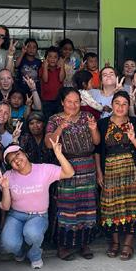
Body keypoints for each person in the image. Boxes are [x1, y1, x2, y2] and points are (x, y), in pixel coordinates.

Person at [0, 140, 74, 268]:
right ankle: (21, 252)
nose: (16, 160)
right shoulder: (8, 176)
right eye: (11, 160)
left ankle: (35, 255)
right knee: (8, 244)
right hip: (16, 215)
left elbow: (69, 173)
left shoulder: (43, 169)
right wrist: (5, 188)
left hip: (38, 215)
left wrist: (59, 155)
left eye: (17, 154)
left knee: (32, 234)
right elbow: (5, 206)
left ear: (25, 154)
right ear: (11, 165)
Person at [45, 88, 100, 260]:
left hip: (87, 166)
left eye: (77, 101)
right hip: (66, 166)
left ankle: (84, 243)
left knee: (86, 206)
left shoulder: (87, 117)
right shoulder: (55, 119)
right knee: (67, 206)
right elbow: (48, 144)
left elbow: (96, 141)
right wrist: (60, 128)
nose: (73, 105)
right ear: (62, 102)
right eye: (69, 101)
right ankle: (64, 245)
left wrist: (93, 129)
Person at [95, 91, 136, 260]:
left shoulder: (135, 122)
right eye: (117, 103)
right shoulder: (102, 123)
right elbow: (97, 150)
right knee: (111, 207)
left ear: (129, 106)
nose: (120, 107)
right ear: (112, 104)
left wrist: (133, 138)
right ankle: (115, 242)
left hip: (130, 170)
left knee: (132, 206)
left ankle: (128, 244)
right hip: (110, 170)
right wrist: (99, 172)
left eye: (124, 104)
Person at [40, 47, 65, 117]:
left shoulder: (59, 69)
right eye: (50, 57)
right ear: (46, 58)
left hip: (59, 100)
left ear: (58, 59)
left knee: (59, 119)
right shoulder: (42, 69)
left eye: (55, 57)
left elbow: (61, 79)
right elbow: (45, 79)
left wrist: (62, 66)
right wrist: (45, 67)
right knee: (48, 119)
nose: (53, 59)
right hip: (46, 100)